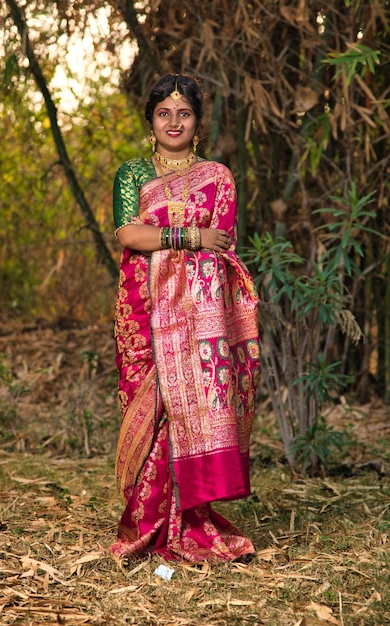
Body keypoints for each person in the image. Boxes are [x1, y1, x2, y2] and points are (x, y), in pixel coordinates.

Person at [110, 73, 260, 563]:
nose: (173, 122)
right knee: (150, 410)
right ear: (150, 121)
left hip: (198, 314)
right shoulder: (132, 173)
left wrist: (186, 242)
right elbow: (131, 236)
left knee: (190, 408)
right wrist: (187, 237)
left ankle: (189, 524)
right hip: (142, 309)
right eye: (163, 113)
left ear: (197, 123)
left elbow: (223, 250)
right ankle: (147, 524)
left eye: (184, 113)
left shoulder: (217, 178)